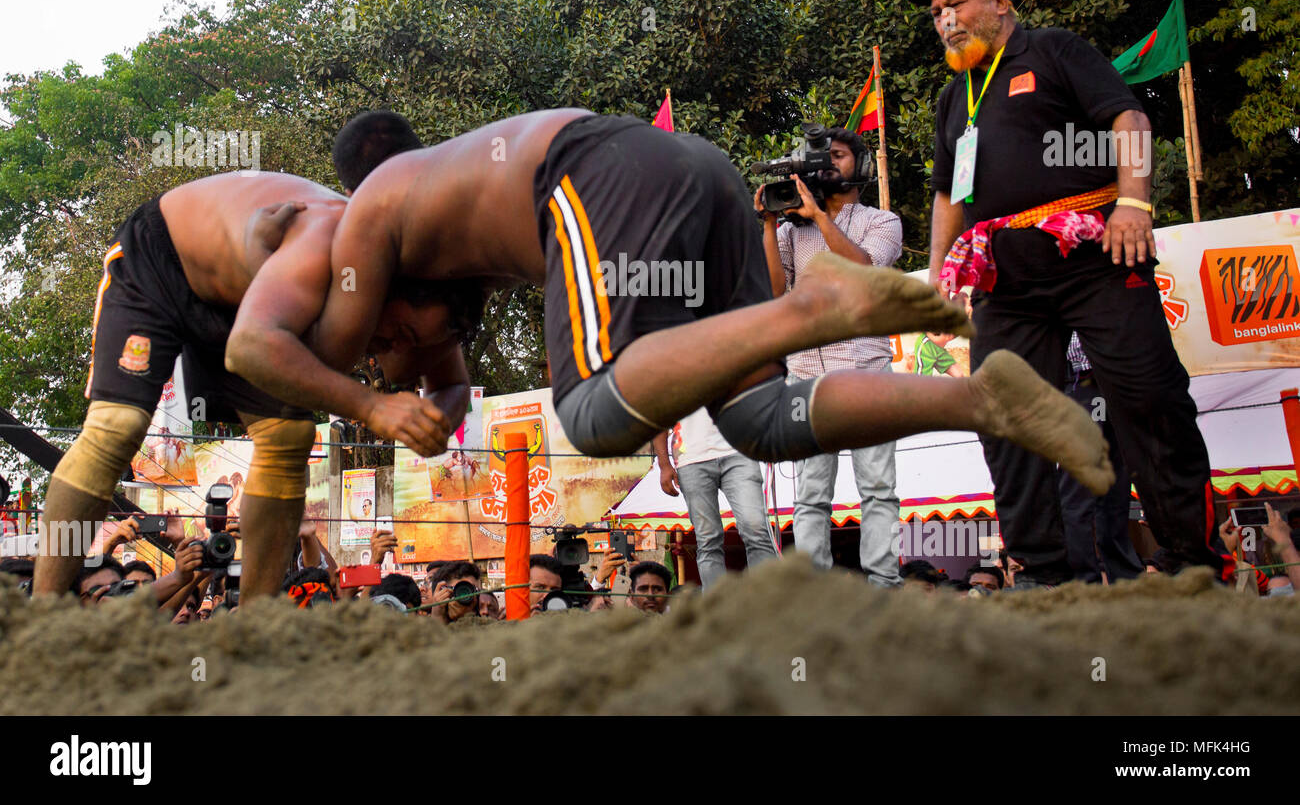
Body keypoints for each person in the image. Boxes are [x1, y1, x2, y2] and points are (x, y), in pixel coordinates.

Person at [302, 111, 1111, 500]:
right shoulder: (436, 204)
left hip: (585, 172)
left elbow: (325, 350)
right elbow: (436, 365)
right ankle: (981, 400)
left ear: (351, 181)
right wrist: (420, 400)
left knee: (589, 411)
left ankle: (815, 304)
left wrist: (371, 401)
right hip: (697, 171)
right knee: (761, 418)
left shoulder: (365, 208)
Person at [909, 0, 1225, 586]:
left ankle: (1191, 561)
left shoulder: (1054, 51)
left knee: (1149, 399)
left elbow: (1129, 119)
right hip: (1006, 280)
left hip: (1095, 258)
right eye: (937, 13)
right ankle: (1044, 572)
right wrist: (940, 273)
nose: (945, 21)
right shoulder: (954, 96)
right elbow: (947, 193)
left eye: (957, 5)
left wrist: (1134, 203)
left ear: (1001, 2)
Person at [33, 173, 462, 605]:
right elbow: (249, 350)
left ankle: (255, 621)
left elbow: (453, 384)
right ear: (383, 287)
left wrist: (437, 422)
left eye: (415, 343)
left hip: (244, 308)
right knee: (117, 426)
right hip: (162, 262)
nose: (397, 348)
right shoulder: (329, 252)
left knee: (289, 436)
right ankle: (43, 609)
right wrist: (373, 407)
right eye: (400, 331)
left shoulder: (432, 301)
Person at [756, 126, 903, 584]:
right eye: (819, 158)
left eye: (836, 156)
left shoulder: (883, 221)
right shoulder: (792, 229)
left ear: (859, 166)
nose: (825, 165)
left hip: (865, 371)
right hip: (805, 376)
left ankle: (882, 584)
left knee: (877, 488)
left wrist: (820, 217)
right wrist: (767, 223)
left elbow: (861, 270)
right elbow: (775, 290)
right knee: (811, 495)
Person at [652, 408, 777, 587]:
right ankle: (717, 607)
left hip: (739, 451)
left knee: (756, 527)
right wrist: (664, 464)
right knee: (708, 539)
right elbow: (659, 414)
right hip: (691, 458)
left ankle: (770, 603)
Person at [1057, 333, 1143, 583]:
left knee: (1115, 486)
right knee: (1077, 492)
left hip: (1118, 382)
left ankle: (1126, 577)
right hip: (1080, 381)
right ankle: (1083, 580)